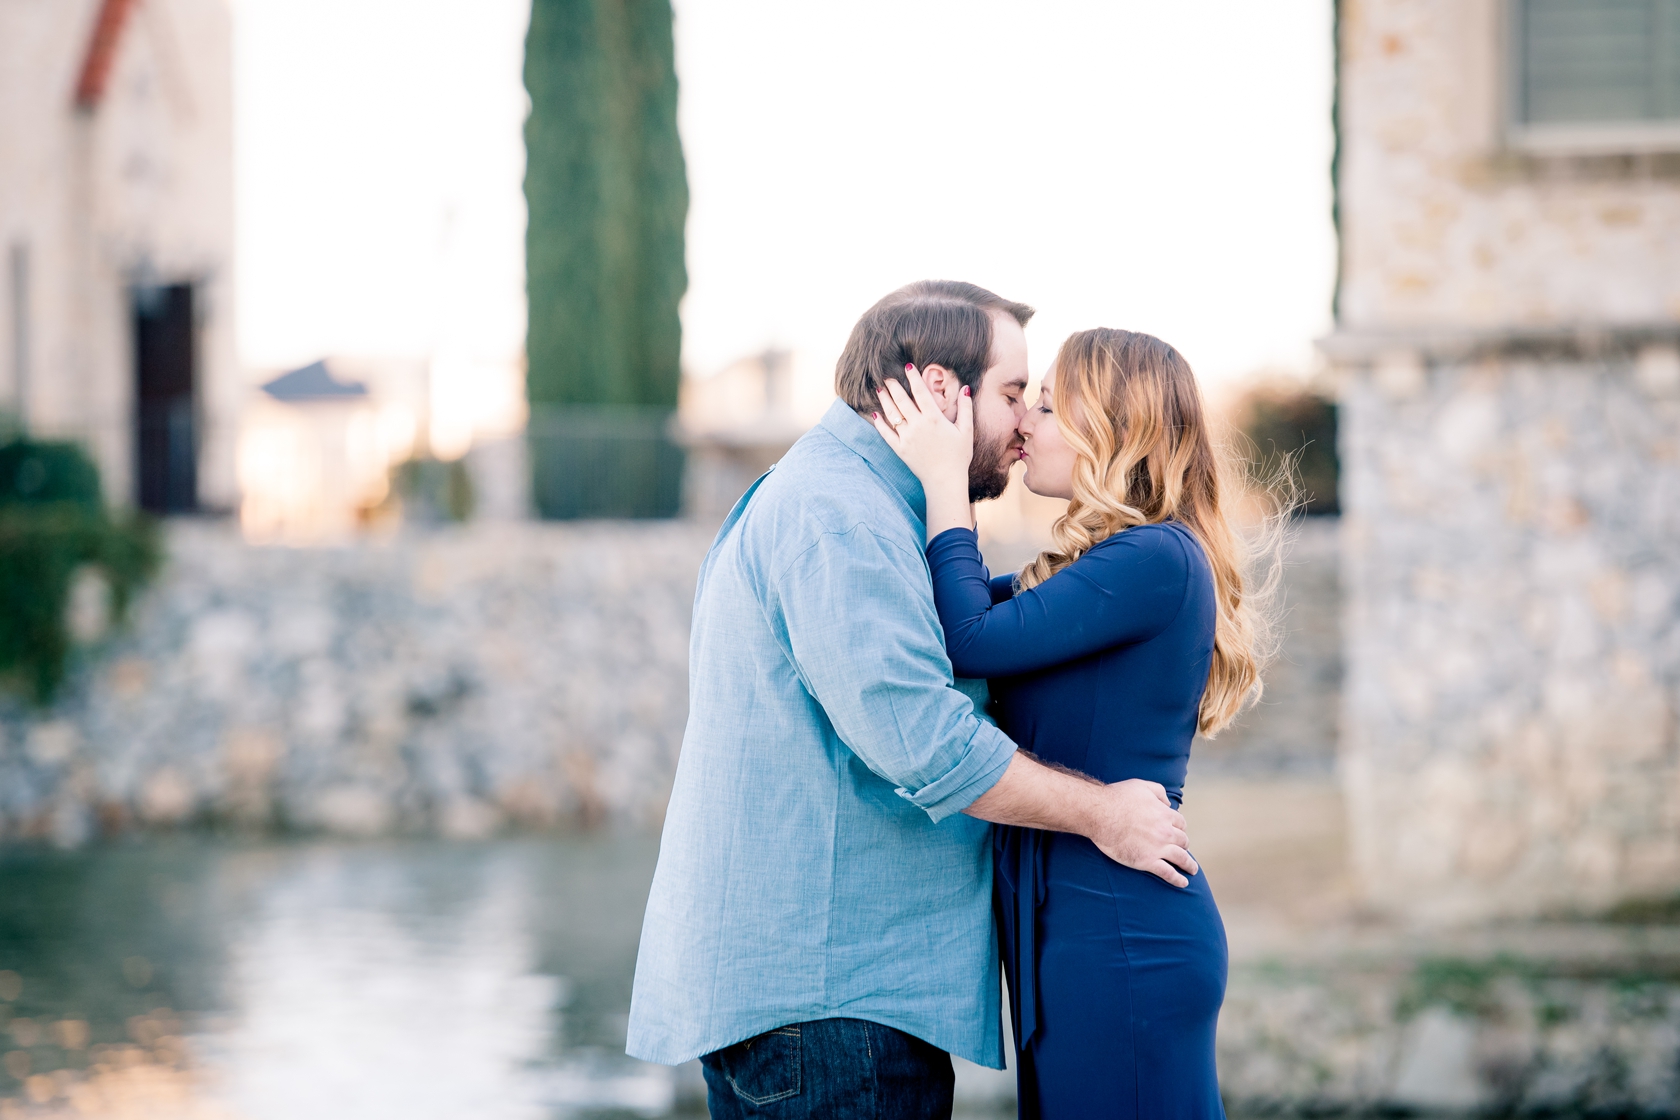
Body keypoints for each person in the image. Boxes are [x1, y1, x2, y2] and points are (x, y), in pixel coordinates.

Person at [627, 283, 1199, 1119]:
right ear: (940, 391)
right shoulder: (842, 519)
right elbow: (930, 742)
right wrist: (1104, 814)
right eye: (1013, 395)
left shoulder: (843, 503)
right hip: (831, 1005)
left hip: (828, 1002)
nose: (1021, 427)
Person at [872, 327, 1276, 1118]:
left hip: (1120, 936)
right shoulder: (1101, 566)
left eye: (1049, 407)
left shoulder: (1157, 558)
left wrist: (946, 483)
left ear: (1113, 433)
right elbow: (960, 611)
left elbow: (969, 638)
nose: (1024, 424)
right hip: (1072, 930)